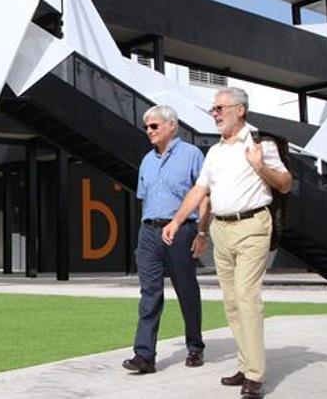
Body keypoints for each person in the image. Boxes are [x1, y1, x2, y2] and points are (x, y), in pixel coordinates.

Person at [162, 88, 291, 399]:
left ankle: (256, 376)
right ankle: (245, 365)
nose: (215, 113)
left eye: (220, 108)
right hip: (222, 229)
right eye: (213, 109)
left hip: (252, 225)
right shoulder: (215, 152)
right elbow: (199, 190)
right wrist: (177, 221)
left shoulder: (261, 144)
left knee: (247, 297)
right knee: (232, 303)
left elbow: (285, 184)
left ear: (240, 110)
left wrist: (259, 166)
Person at [122, 105, 210, 374]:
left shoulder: (192, 154)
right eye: (146, 127)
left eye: (154, 126)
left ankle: (195, 346)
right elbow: (144, 198)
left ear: (172, 125)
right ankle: (144, 356)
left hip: (181, 231)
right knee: (149, 293)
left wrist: (202, 232)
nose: (148, 131)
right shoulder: (147, 160)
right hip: (148, 232)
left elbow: (205, 195)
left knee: (186, 290)